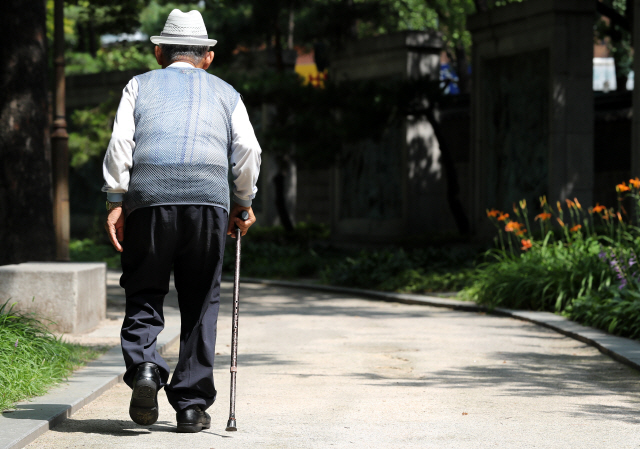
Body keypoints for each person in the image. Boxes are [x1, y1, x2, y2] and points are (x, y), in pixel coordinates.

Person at [101, 9, 261, 433]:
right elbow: (248, 150)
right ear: (207, 57)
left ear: (158, 52)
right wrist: (242, 202)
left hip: (149, 201)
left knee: (144, 289)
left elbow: (121, 143)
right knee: (200, 300)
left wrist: (116, 199)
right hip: (210, 204)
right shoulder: (228, 93)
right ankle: (190, 406)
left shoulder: (139, 85)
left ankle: (146, 369)